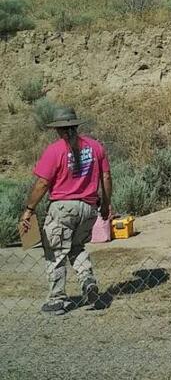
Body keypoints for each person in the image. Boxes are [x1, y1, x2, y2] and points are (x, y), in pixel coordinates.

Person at [18, 107, 112, 315]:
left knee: (56, 253)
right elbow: (106, 177)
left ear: (58, 130)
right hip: (89, 208)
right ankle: (88, 282)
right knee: (77, 247)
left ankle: (56, 300)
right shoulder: (96, 147)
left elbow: (42, 183)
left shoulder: (55, 150)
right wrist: (105, 204)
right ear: (76, 126)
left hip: (62, 208)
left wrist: (28, 209)